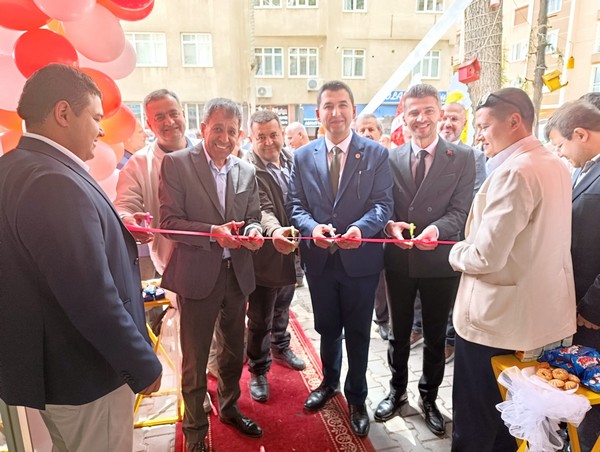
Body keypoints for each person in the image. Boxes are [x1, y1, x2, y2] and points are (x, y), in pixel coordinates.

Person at [0, 64, 162, 451]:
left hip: (58, 369)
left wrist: (112, 230)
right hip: (88, 372)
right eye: (95, 117)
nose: (101, 130)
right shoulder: (54, 181)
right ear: (63, 113)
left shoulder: (15, 165)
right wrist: (141, 364)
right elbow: (89, 295)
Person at [448, 88, 576, 451]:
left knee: (476, 420)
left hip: (495, 323)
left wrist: (455, 252)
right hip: (536, 315)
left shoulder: (516, 172)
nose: (479, 135)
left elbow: (485, 256)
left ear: (514, 121)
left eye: (485, 126)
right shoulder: (554, 163)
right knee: (510, 420)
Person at [287, 80, 394, 437]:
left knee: (359, 333)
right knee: (327, 328)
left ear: (353, 110)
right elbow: (295, 204)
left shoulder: (375, 154)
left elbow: (383, 204)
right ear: (318, 113)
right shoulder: (303, 156)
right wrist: (312, 227)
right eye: (328, 106)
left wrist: (361, 229)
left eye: (342, 105)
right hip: (320, 262)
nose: (336, 113)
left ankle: (358, 397)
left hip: (360, 262)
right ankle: (329, 383)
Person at [159, 98, 265, 452]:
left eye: (232, 131)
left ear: (240, 135)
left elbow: (253, 217)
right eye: (218, 128)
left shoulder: (246, 169)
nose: (224, 137)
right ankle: (194, 432)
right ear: (203, 128)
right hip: (196, 277)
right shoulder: (177, 164)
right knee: (195, 359)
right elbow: (169, 223)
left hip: (237, 276)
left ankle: (230, 409)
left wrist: (253, 233)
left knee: (234, 353)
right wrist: (211, 233)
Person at [375, 84, 475, 437]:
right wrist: (389, 226)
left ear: (439, 112)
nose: (421, 118)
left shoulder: (463, 157)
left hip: (439, 261)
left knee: (434, 337)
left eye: (428, 110)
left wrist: (435, 229)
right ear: (404, 116)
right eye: (413, 112)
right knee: (398, 334)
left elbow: (461, 210)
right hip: (399, 259)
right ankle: (396, 391)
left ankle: (429, 398)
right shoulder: (390, 158)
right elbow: (383, 204)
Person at [545, 99, 600, 452]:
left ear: (580, 134)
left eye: (561, 144)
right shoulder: (585, 170)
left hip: (594, 310)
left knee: (594, 393)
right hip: (578, 303)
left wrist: (593, 306)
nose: (560, 153)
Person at [244, 110, 306, 403]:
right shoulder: (247, 169)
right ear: (251, 138)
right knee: (260, 317)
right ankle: (258, 369)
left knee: (284, 305)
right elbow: (262, 209)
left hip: (293, 251)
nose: (269, 142)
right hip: (266, 254)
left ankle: (281, 345)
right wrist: (276, 231)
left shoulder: (293, 161)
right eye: (261, 137)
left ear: (282, 134)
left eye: (273, 135)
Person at [115, 89, 197, 276]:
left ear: (183, 115)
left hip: (219, 259)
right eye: (159, 117)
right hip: (172, 264)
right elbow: (124, 205)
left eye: (173, 113)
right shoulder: (139, 163)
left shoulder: (209, 153)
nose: (169, 122)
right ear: (149, 124)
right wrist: (127, 219)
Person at [354, 113, 391, 341]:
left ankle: (382, 320)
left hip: (382, 231)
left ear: (380, 133)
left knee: (381, 283)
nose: (367, 134)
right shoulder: (349, 159)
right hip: (354, 233)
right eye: (362, 130)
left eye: (371, 130)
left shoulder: (386, 158)